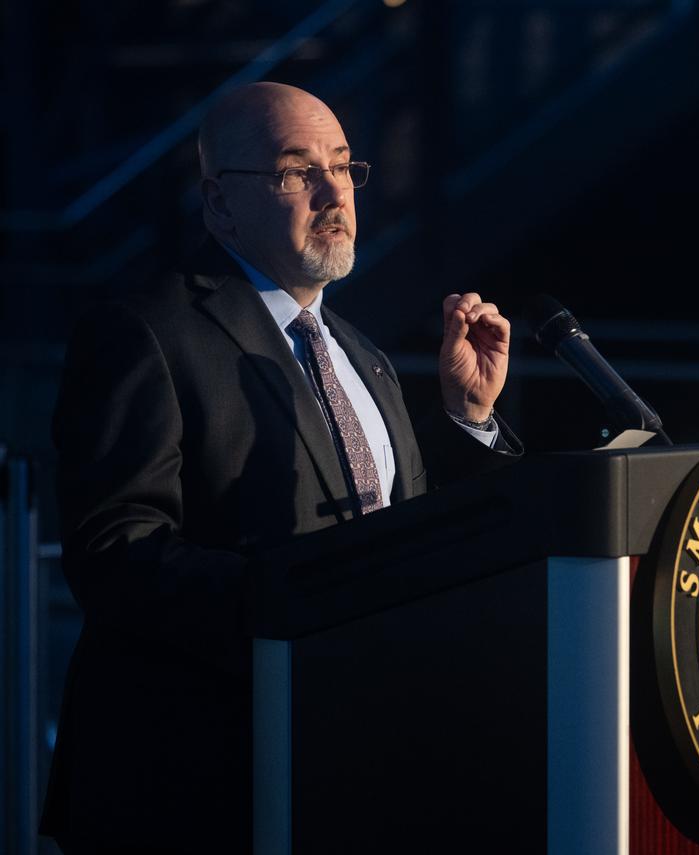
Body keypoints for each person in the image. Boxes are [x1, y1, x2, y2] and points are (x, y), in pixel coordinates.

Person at [41, 81, 521, 853]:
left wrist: (467, 418)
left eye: (342, 166)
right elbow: (113, 552)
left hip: (349, 767)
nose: (335, 191)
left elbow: (405, 534)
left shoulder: (363, 356)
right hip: (194, 791)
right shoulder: (145, 331)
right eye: (298, 171)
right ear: (220, 204)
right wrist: (305, 598)